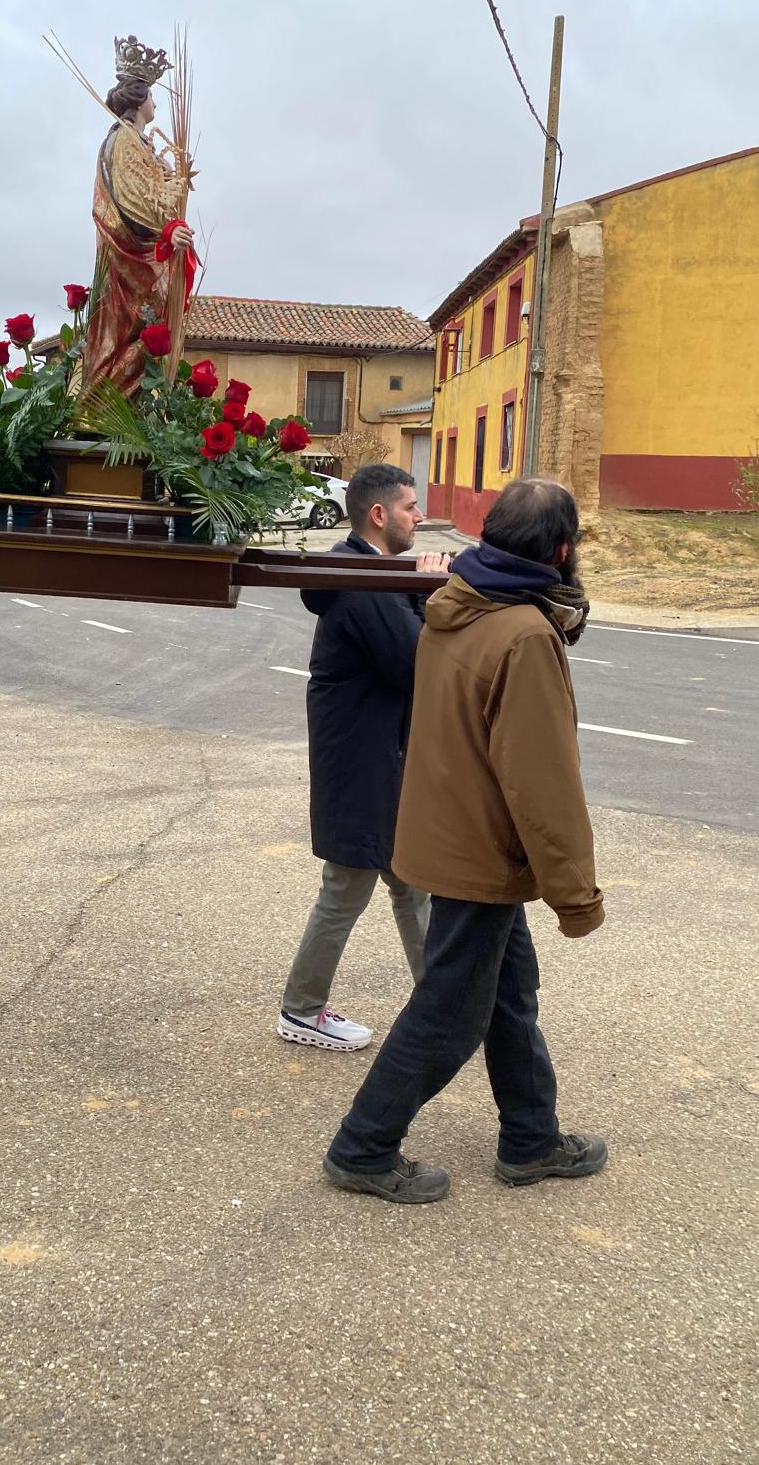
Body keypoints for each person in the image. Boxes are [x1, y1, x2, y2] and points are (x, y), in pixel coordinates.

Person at [323, 478, 607, 1204]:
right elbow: (542, 785)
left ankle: (532, 1139)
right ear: (563, 551)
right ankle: (364, 1147)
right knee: (450, 1014)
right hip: (482, 849)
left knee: (510, 993)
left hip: (448, 833)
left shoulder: (460, 605)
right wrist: (576, 897)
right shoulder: (522, 634)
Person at [278, 464, 449, 1051]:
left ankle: (444, 1004)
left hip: (375, 756)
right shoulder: (362, 580)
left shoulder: (368, 573)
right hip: (360, 762)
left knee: (409, 881)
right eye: (409, 507)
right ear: (379, 515)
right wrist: (429, 594)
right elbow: (414, 665)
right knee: (350, 884)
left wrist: (412, 590)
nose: (419, 517)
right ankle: (301, 1008)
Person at [83, 34, 195, 398]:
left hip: (144, 255)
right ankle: (104, 402)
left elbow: (156, 193)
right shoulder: (124, 141)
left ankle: (130, 401)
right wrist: (166, 232)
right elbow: (131, 203)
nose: (156, 104)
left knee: (149, 328)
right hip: (129, 257)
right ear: (139, 98)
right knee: (134, 327)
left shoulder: (141, 143)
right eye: (152, 96)